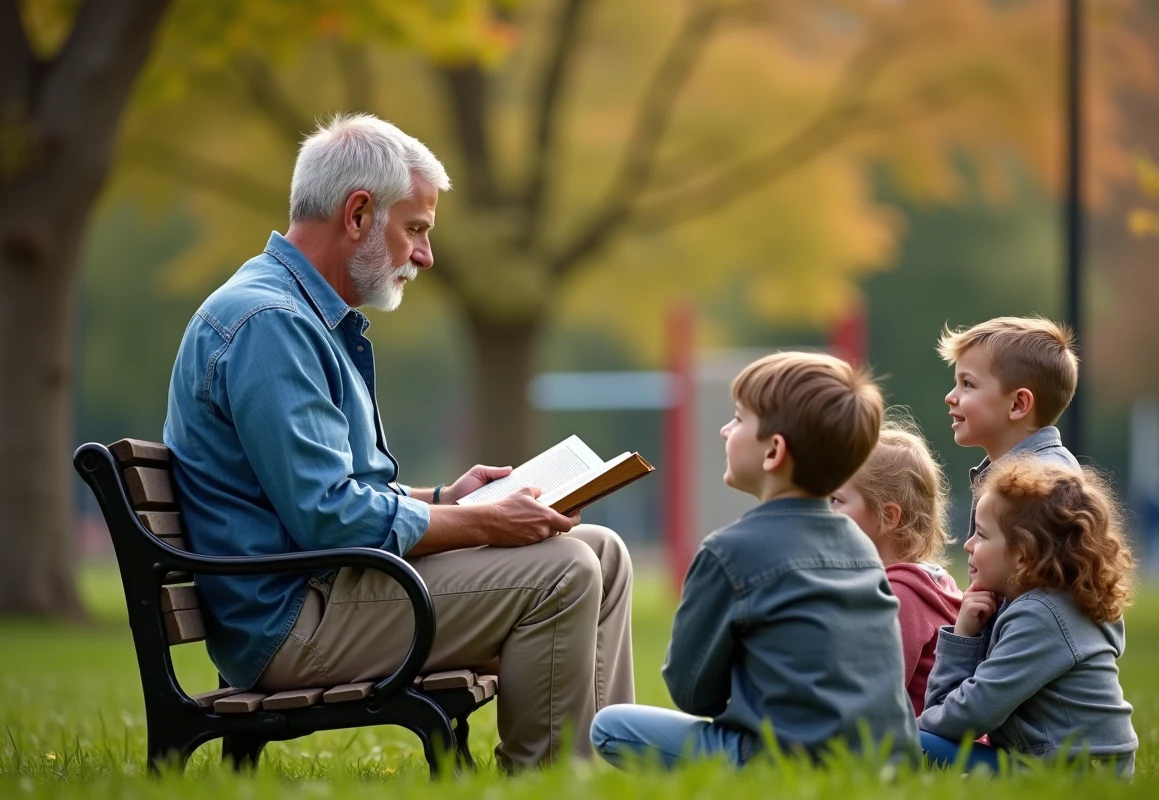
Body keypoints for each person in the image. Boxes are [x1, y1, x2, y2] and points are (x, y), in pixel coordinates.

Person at [163, 113, 634, 772]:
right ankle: (545, 783)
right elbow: (329, 518)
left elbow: (322, 494)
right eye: (415, 229)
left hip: (330, 590)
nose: (426, 254)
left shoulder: (301, 317)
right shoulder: (270, 325)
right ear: (358, 214)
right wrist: (478, 525)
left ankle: (599, 772)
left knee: (603, 553)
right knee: (563, 570)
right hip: (292, 623)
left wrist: (446, 497)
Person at [590, 352, 917, 769]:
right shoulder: (860, 546)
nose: (726, 430)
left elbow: (691, 692)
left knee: (611, 725)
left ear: (774, 451)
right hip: (879, 760)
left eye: (739, 419)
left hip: (777, 758)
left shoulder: (729, 552)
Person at [917, 459, 1139, 776]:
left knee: (899, 743)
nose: (967, 544)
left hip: (1073, 779)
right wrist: (965, 632)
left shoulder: (1042, 615)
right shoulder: (1052, 604)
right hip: (1084, 771)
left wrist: (906, 731)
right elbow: (949, 715)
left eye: (981, 534)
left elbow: (967, 716)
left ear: (1022, 554)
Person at [830, 418, 962, 714]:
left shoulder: (899, 596)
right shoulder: (932, 583)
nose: (824, 513)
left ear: (888, 517)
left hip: (920, 743)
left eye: (836, 500)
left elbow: (871, 697)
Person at [938, 316, 1082, 539]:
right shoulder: (1014, 475)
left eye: (967, 384)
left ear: (1018, 404)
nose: (949, 397)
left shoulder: (1044, 485)